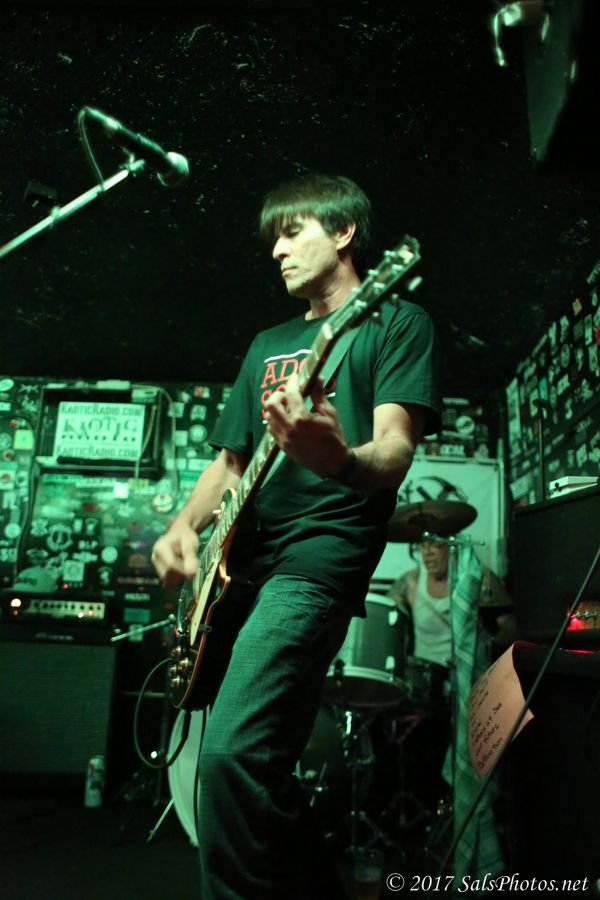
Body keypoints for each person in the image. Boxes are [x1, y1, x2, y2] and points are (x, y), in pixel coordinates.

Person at [151, 174, 441, 900]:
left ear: (344, 233)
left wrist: (338, 459)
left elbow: (395, 450)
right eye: (272, 240)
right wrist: (183, 527)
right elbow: (231, 462)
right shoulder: (268, 344)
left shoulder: (394, 323)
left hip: (318, 558)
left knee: (229, 757)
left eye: (291, 232)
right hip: (241, 563)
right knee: (258, 768)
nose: (276, 251)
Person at [387, 537, 513, 668]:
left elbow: (508, 626)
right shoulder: (412, 581)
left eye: (434, 544)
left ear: (452, 546)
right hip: (425, 673)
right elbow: (385, 612)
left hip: (468, 671)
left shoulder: (476, 578)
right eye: (422, 545)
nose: (427, 552)